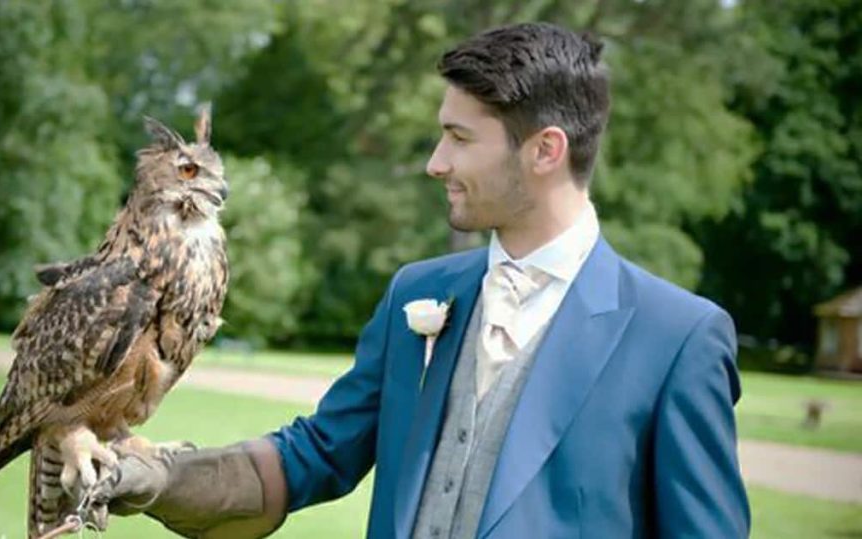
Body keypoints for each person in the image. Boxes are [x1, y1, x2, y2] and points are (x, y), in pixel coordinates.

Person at [88, 22, 751, 538]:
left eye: (459, 138)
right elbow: (311, 456)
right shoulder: (417, 294)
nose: (437, 163)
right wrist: (155, 476)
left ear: (545, 150)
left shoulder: (678, 339)